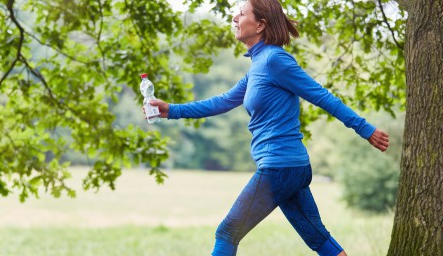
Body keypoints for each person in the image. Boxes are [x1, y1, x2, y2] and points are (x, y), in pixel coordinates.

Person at [143, 0, 390, 255]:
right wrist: (171, 110)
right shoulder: (258, 66)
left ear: (260, 25)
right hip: (289, 167)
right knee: (318, 239)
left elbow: (321, 96)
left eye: (241, 13)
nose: (234, 18)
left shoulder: (275, 60)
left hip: (280, 167)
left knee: (227, 232)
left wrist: (365, 129)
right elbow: (223, 101)